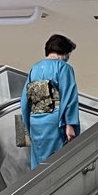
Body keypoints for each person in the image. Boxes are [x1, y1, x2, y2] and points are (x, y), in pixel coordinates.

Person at [21, 34, 80, 170]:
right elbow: (69, 96)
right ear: (64, 51)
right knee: (58, 165)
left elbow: (24, 102)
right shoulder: (63, 67)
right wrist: (70, 125)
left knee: (38, 166)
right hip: (55, 122)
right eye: (69, 53)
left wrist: (27, 128)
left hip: (35, 124)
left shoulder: (35, 69)